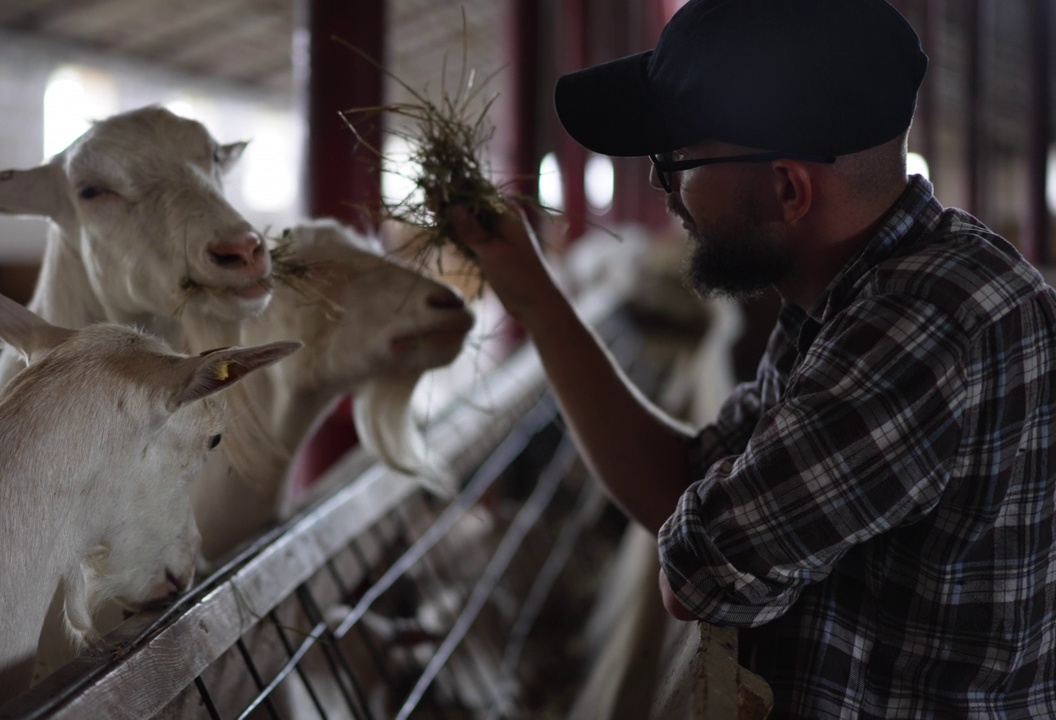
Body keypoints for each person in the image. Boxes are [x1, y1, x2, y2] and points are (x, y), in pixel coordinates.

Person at [448, 0, 1056, 716]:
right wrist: (535, 299)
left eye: (676, 158)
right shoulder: (846, 296)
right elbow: (684, 483)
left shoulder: (927, 324)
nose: (659, 187)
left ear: (788, 187)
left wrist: (710, 518)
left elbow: (699, 571)